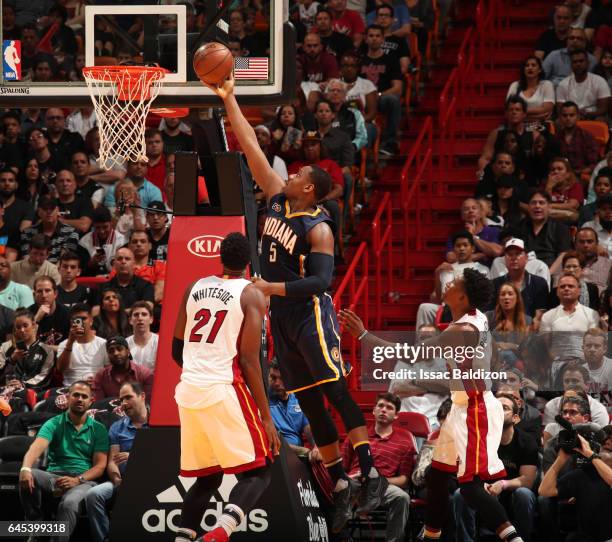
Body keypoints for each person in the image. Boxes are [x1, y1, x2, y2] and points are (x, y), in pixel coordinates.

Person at [206, 76, 385, 534]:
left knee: (335, 392)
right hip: (280, 320)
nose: (292, 173)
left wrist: (269, 289)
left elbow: (322, 281)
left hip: (309, 315)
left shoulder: (319, 227)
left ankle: (370, 473)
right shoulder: (276, 198)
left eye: (301, 175)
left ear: (310, 189)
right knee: (310, 404)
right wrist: (230, 100)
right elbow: (250, 148)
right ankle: (342, 486)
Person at [340, 269, 524, 542]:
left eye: (455, 283)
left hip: (475, 411)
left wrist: (364, 335)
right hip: (463, 408)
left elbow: (411, 354)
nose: (448, 283)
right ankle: (431, 536)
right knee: (437, 477)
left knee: (470, 487)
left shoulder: (461, 329)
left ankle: (514, 539)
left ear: (462, 296)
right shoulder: (475, 318)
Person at [172, 232, 280, 542]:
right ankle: (221, 532)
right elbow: (249, 361)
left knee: (208, 476)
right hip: (222, 388)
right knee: (260, 471)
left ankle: (183, 537)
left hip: (188, 390)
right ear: (249, 262)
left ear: (219, 257)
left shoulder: (194, 288)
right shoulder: (251, 294)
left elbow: (176, 350)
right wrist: (266, 416)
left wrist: (200, 368)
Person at [18, 381, 109, 542]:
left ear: (91, 401)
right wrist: (25, 468)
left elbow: (100, 466)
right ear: (67, 398)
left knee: (69, 504)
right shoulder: (53, 423)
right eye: (75, 395)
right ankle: (35, 527)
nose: (79, 399)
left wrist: (77, 480)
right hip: (54, 477)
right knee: (28, 474)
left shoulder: (98, 429)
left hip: (84, 481)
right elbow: (35, 448)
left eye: (84, 396)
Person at [452, 395, 538, 542]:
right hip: (482, 491)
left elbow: (527, 480)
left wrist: (503, 485)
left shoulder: (526, 441)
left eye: (504, 408)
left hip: (511, 493)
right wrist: (478, 487)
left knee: (524, 494)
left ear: (515, 418)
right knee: (461, 493)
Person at [342, 392, 416, 542]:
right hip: (355, 481)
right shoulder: (356, 435)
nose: (383, 410)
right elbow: (342, 466)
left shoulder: (405, 443)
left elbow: (404, 479)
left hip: (383, 486)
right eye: (380, 406)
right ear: (374, 410)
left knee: (402, 497)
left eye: (389, 408)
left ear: (396, 415)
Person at [85, 381, 148, 542]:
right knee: (94, 495)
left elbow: (162, 455)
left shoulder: (159, 422)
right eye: (121, 400)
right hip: (123, 483)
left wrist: (133, 456)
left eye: (128, 398)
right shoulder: (117, 428)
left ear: (142, 396)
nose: (124, 404)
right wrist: (117, 480)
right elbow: (112, 461)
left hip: (151, 482)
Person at [539, 433, 612, 542]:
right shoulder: (583, 474)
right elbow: (545, 491)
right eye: (605, 443)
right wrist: (560, 459)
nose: (608, 443)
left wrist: (591, 455)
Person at [360, 24, 402, 156]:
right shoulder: (359, 60)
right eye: (371, 36)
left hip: (381, 98)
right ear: (365, 39)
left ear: (383, 39)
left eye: (378, 36)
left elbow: (397, 87)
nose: (374, 39)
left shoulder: (391, 60)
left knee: (393, 100)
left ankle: (389, 143)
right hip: (361, 99)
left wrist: (377, 95)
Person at [268, 359, 319, 459]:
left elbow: (308, 429)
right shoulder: (263, 402)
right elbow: (272, 443)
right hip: (278, 459)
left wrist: (316, 447)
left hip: (299, 459)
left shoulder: (297, 398)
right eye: (273, 378)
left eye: (281, 378)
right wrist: (304, 451)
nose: (277, 383)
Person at [489, 238, 549, 321]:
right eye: (509, 254)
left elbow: (540, 316)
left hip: (530, 331)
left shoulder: (539, 283)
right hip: (501, 330)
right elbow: (490, 316)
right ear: (504, 259)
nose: (513, 258)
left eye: (517, 254)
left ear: (526, 258)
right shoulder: (495, 284)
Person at [1, 308, 55, 394]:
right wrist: (11, 360)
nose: (22, 330)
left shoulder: (46, 350)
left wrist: (23, 385)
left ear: (33, 325)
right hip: (8, 393)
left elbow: (45, 378)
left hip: (34, 393)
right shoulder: (8, 349)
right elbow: (2, 375)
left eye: (25, 326)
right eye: (18, 327)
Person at [57, 303, 108, 387]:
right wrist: (70, 342)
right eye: (76, 319)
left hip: (96, 388)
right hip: (70, 389)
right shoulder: (64, 344)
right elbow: (61, 369)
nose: (80, 322)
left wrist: (98, 380)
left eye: (83, 318)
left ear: (91, 320)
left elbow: (109, 371)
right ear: (71, 322)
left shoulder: (103, 343)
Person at [543, 363, 609, 427]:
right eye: (566, 381)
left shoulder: (598, 410)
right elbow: (548, 435)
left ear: (587, 384)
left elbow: (601, 437)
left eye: (575, 381)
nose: (570, 385)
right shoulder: (551, 406)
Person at [18, 196, 80, 264]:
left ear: (57, 210)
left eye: (52, 208)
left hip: (58, 272)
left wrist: (51, 272)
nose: (49, 212)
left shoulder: (71, 232)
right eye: (45, 208)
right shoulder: (27, 232)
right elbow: (27, 258)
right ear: (39, 212)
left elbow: (65, 260)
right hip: (33, 270)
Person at [518, 190, 572, 267]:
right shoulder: (520, 226)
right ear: (528, 206)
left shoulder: (559, 227)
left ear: (549, 206)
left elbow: (563, 254)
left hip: (551, 271)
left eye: (541, 203)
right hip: (524, 270)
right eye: (533, 203)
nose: (537, 206)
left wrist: (548, 274)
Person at [93, 336, 153, 401]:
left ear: (128, 351)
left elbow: (148, 403)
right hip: (109, 411)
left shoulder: (144, 374)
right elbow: (99, 405)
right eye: (111, 351)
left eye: (119, 349)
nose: (115, 353)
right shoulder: (101, 376)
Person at [556, 50, 611, 120]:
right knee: (558, 122)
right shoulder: (563, 84)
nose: (578, 64)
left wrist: (587, 115)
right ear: (571, 65)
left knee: (601, 119)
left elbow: (603, 108)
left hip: (593, 116)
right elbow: (560, 109)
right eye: (575, 62)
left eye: (581, 61)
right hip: (570, 117)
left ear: (588, 63)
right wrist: (575, 116)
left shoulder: (600, 81)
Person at [79, 205, 126, 276]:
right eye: (97, 227)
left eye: (105, 227)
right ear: (93, 226)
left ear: (111, 223)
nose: (102, 231)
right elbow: (80, 270)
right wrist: (91, 264)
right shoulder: (84, 242)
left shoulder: (121, 241)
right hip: (92, 280)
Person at [553, 103, 599, 175]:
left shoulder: (587, 137)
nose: (568, 118)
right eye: (565, 115)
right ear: (560, 117)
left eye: (571, 115)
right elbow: (552, 162)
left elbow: (594, 164)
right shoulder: (555, 138)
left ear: (578, 116)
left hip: (581, 177)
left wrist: (578, 173)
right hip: (560, 176)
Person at [507, 56, 554, 121]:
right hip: (519, 124)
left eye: (533, 65)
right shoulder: (514, 85)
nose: (530, 68)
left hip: (541, 124)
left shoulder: (547, 85)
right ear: (523, 70)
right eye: (527, 65)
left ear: (539, 70)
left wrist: (521, 112)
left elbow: (547, 109)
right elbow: (510, 110)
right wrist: (537, 117)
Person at [30, 275, 71, 349]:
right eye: (39, 291)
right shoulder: (28, 314)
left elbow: (72, 347)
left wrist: (44, 348)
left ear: (55, 294)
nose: (44, 295)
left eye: (47, 290)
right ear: (34, 295)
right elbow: (26, 344)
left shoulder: (67, 314)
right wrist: (36, 319)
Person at [126, 300, 158, 371]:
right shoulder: (125, 344)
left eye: (144, 314)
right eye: (136, 315)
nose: (140, 318)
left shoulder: (160, 343)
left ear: (151, 319)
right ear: (130, 320)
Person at [582, 328, 612, 394]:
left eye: (597, 346)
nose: (592, 349)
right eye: (588, 345)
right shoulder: (579, 371)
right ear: (583, 348)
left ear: (604, 349)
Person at [583, 193, 612, 258]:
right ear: (598, 211)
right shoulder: (589, 227)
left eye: (611, 208)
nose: (608, 212)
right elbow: (581, 248)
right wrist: (594, 247)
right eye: (604, 209)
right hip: (594, 265)